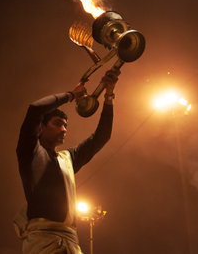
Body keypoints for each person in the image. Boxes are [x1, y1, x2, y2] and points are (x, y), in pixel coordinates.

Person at [14, 69, 120, 254]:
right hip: (43, 242)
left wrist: (109, 96)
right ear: (41, 127)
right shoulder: (30, 152)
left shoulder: (68, 158)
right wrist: (71, 95)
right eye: (57, 123)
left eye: (66, 125)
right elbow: (35, 109)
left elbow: (101, 137)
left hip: (70, 241)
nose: (64, 130)